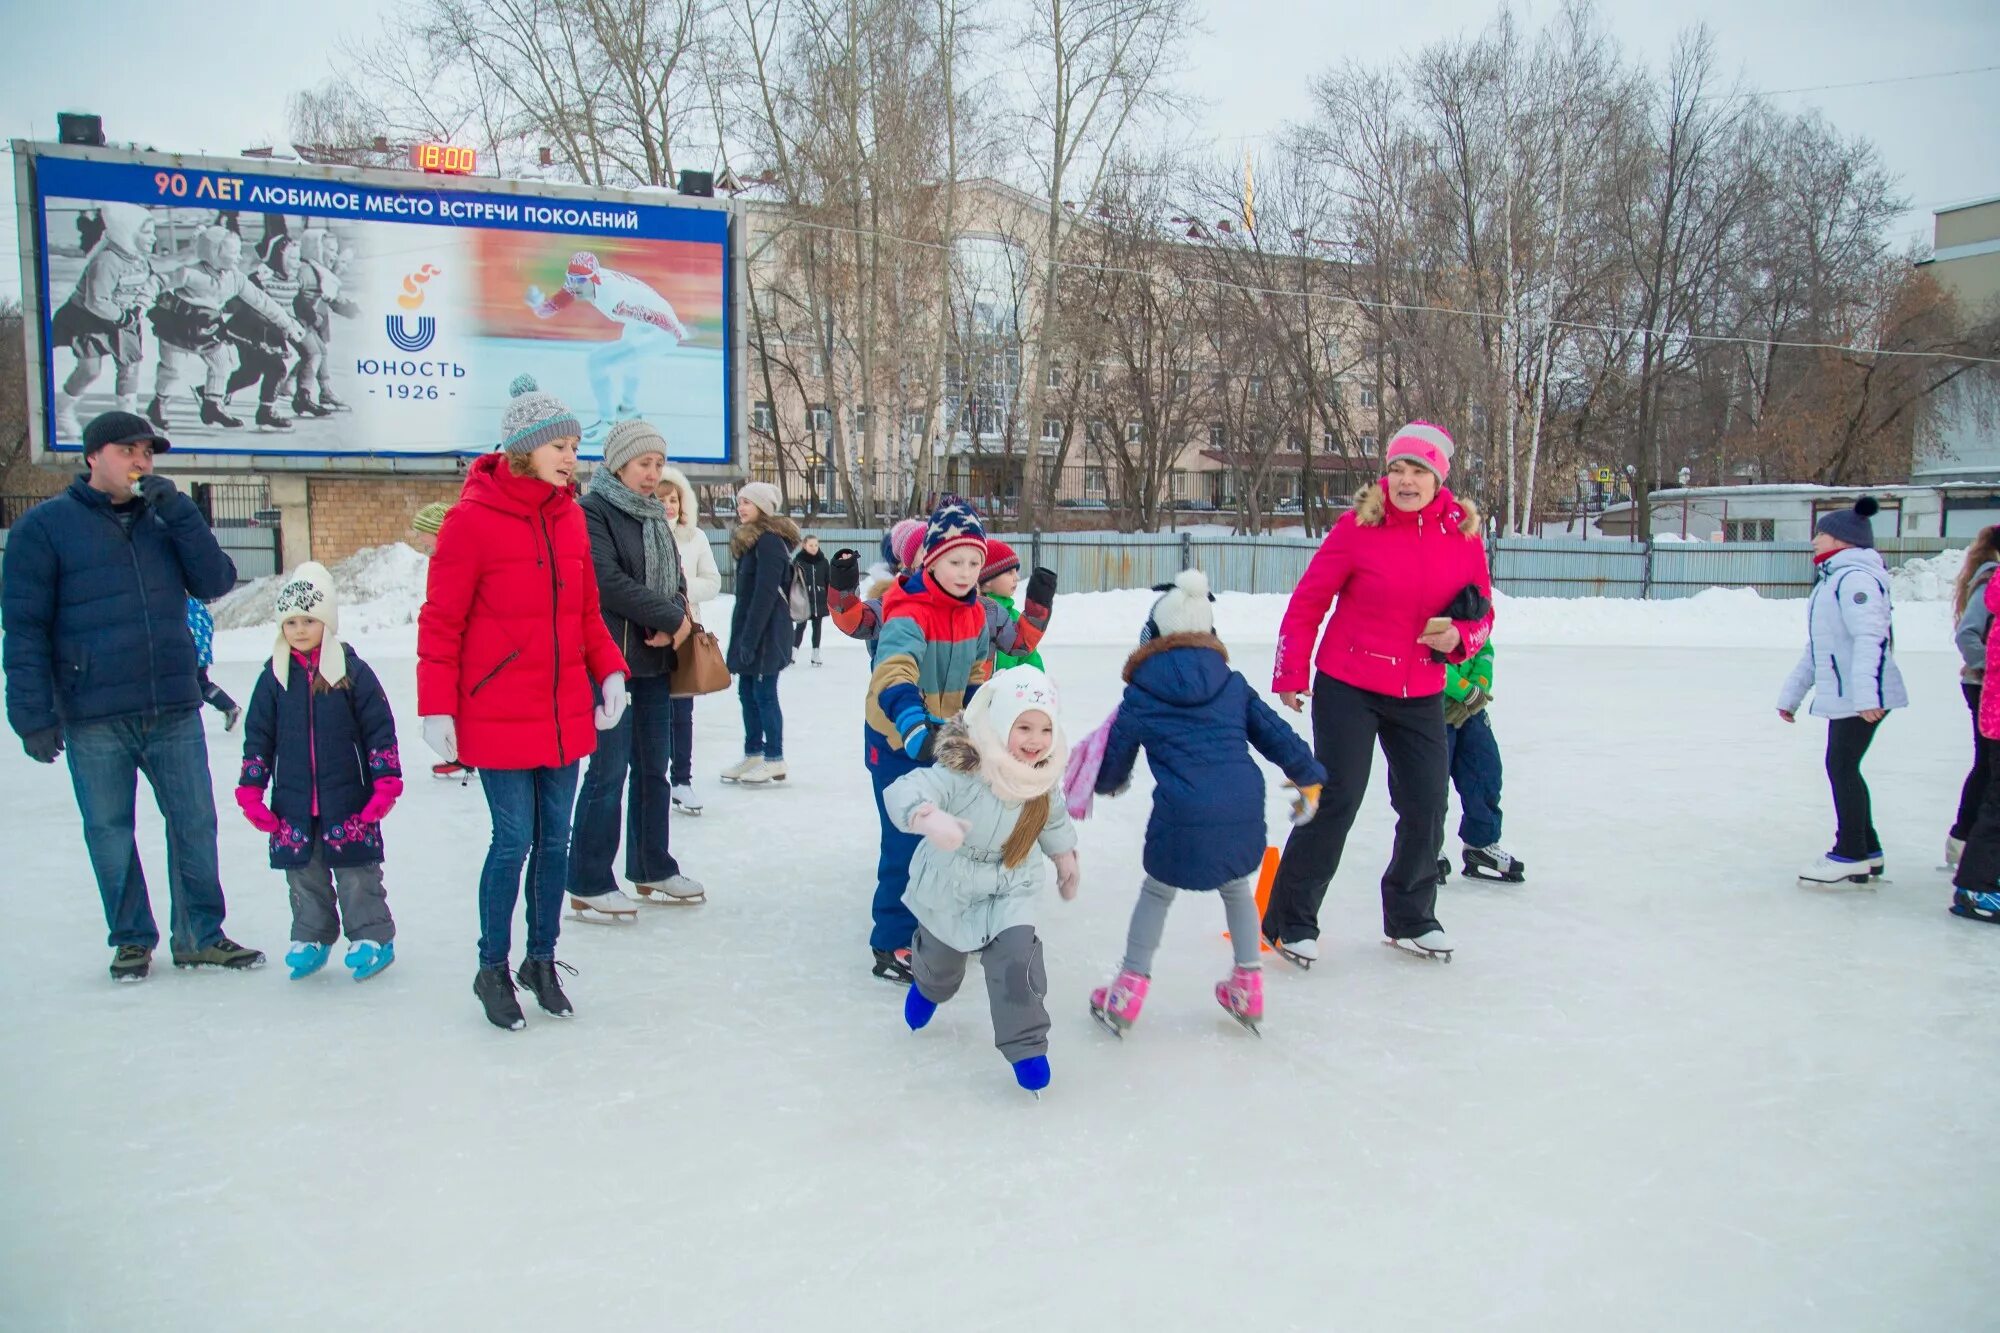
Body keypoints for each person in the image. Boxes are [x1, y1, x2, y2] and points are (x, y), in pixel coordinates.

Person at [1, 410, 261, 980]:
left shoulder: (166, 520)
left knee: (194, 822)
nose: (141, 463)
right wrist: (31, 715)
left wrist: (184, 513)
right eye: (128, 451)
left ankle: (200, 934)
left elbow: (216, 582)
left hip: (171, 703)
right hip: (93, 711)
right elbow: (23, 628)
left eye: (148, 453)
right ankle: (131, 940)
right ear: (94, 456)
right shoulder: (43, 529)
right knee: (110, 829)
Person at [418, 376, 630, 1031]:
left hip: (564, 708)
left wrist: (611, 671)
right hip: (498, 711)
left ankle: (541, 959)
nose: (572, 456)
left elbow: (587, 612)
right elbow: (441, 620)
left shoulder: (569, 515)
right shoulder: (472, 519)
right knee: (513, 840)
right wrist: (437, 707)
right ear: (523, 450)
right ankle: (492, 967)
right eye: (559, 446)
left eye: (575, 445)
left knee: (556, 841)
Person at [1260, 422, 1493, 967]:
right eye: (1396, 469)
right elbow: (1308, 602)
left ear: (1440, 478)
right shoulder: (1357, 528)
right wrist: (1291, 671)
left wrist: (1462, 636)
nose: (1406, 481)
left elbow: (1483, 611)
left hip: (1421, 688)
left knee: (1427, 803)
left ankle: (1412, 918)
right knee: (1335, 798)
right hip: (1350, 683)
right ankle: (1291, 920)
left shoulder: (1462, 535)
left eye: (1418, 471)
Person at [1088, 571, 1324, 1036]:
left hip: (1182, 811)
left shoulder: (1140, 692)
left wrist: (1105, 782)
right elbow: (1275, 734)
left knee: (1157, 891)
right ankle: (1248, 983)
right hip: (1241, 804)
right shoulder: (1232, 683)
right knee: (1237, 887)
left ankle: (1129, 988)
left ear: (1152, 636)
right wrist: (1308, 777)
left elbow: (1115, 760)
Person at [861, 498, 1058, 982]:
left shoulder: (974, 613)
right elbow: (894, 672)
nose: (966, 571)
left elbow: (975, 670)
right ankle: (891, 941)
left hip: (946, 737)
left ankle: (948, 924)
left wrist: (978, 722)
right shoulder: (906, 610)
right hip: (896, 738)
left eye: (974, 562)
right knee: (907, 838)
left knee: (960, 838)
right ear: (930, 559)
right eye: (955, 561)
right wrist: (913, 727)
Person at [888, 665, 1079, 1095]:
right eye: (1024, 727)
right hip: (953, 879)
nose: (1035, 741)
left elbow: (1053, 819)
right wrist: (928, 817)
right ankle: (928, 984)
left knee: (1017, 958)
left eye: (1045, 729)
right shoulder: (966, 768)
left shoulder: (1042, 776)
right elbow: (908, 787)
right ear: (998, 724)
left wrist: (1065, 856)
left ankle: (1028, 1046)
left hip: (1013, 880)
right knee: (943, 967)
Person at [233, 563, 401, 981]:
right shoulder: (274, 678)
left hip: (347, 799)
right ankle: (313, 935)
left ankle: (372, 936)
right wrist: (252, 790)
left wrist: (385, 781)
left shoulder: (351, 673)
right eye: (290, 621)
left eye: (309, 620)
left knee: (357, 874)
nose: (300, 629)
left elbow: (378, 728)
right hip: (292, 802)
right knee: (303, 874)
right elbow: (258, 736)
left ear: (327, 621)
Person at [568, 420, 707, 918]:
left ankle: (652, 865)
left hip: (654, 660)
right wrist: (671, 618)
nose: (653, 475)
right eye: (644, 464)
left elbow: (677, 581)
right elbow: (606, 581)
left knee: (654, 768)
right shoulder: (591, 512)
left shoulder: (654, 515)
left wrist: (678, 625)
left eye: (657, 465)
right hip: (608, 660)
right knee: (607, 770)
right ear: (618, 462)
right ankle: (588, 877)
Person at [1778, 497, 1906, 888]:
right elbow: (1819, 648)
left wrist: (1867, 696)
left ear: (1843, 539)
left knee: (1842, 766)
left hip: (1860, 696)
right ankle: (1867, 850)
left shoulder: (1855, 580)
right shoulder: (1834, 579)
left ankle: (1850, 852)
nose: (1814, 540)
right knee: (1844, 766)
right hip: (1851, 693)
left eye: (1821, 533)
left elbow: (1872, 637)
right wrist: (1792, 695)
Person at [146, 225, 304, 432]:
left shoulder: (235, 278)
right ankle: (158, 404)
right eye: (233, 253)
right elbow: (157, 281)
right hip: (179, 327)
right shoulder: (190, 272)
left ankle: (212, 405)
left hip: (208, 327)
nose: (238, 258)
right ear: (214, 252)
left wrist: (288, 323)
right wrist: (141, 302)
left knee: (221, 364)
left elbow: (262, 301)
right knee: (173, 370)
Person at [524, 251, 688, 446]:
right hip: (641, 323)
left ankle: (608, 423)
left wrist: (677, 330)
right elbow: (551, 307)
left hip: (661, 332)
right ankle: (629, 411)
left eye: (580, 281)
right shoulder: (579, 284)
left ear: (594, 279)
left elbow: (654, 316)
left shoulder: (613, 300)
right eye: (571, 279)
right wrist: (537, 306)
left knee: (597, 362)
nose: (575, 286)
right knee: (630, 357)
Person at [51, 203, 163, 439]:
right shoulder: (106, 261)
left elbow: (148, 281)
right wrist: (123, 316)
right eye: (148, 232)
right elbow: (97, 301)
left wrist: (141, 304)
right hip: (89, 319)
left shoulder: (139, 258)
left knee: (130, 367)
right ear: (127, 231)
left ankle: (128, 418)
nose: (154, 237)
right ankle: (62, 409)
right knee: (90, 370)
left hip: (123, 318)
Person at [723, 482, 800, 787]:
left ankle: (774, 757)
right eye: (739, 501)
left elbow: (765, 596)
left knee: (763, 693)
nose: (741, 507)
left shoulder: (769, 542)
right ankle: (754, 752)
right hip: (751, 630)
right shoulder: (751, 542)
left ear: (763, 508)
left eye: (748, 503)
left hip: (767, 632)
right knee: (747, 693)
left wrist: (750, 640)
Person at [659, 464, 721, 816]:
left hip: (685, 632)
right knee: (651, 712)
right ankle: (652, 778)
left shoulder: (694, 537)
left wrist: (681, 585)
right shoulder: (642, 531)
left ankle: (681, 778)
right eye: (662, 499)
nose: (669, 506)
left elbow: (712, 582)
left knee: (682, 711)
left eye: (674, 499)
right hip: (645, 634)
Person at [1440, 640, 1525, 883]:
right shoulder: (1428, 605)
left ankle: (1481, 844)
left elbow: (1483, 650)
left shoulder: (1473, 608)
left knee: (1485, 771)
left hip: (1470, 708)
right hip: (1431, 705)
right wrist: (1464, 690)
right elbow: (1425, 659)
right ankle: (1425, 847)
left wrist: (1479, 685)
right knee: (1431, 782)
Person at [1948, 527, 2000, 869]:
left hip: (1985, 683)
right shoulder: (1989, 578)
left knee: (1987, 766)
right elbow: (1967, 633)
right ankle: (1965, 841)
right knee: (1988, 768)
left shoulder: (1983, 574)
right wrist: (1986, 667)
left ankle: (1964, 841)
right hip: (1984, 685)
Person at [980, 540, 1045, 671]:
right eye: (1009, 572)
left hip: (1011, 691)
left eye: (1016, 571)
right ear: (986, 580)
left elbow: (1029, 661)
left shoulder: (1015, 618)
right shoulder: (973, 614)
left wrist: (1037, 685)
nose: (1017, 577)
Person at [186, 596, 242, 730]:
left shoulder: (180, 606)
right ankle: (228, 706)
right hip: (198, 651)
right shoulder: (196, 606)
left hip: (190, 652)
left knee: (198, 685)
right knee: (200, 683)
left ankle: (229, 706)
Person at [793, 535, 831, 666]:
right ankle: (792, 653)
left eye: (816, 545)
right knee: (800, 626)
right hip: (804, 600)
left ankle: (816, 654)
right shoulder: (799, 561)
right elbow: (793, 581)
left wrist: (830, 596)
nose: (814, 548)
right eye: (811, 545)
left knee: (817, 626)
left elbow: (828, 581)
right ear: (804, 546)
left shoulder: (823, 561)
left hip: (819, 599)